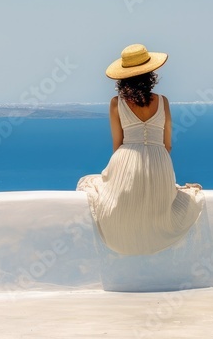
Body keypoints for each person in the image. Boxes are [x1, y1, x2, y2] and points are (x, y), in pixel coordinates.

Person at [77, 44, 205, 255]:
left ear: (123, 76)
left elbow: (117, 144)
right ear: (150, 73)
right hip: (160, 161)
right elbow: (168, 144)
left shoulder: (116, 103)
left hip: (126, 158)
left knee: (92, 183)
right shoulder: (162, 101)